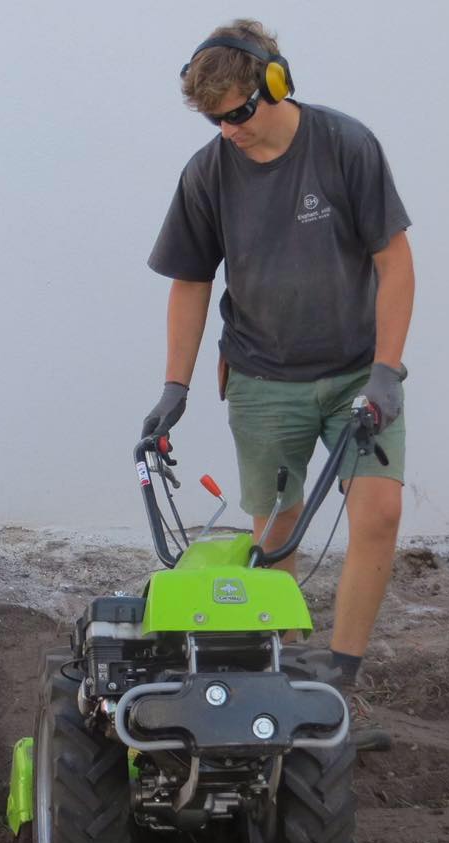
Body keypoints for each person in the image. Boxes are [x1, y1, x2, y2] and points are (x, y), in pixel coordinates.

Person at [141, 19, 414, 752]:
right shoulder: (208, 174)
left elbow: (394, 260)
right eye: (213, 118)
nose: (228, 129)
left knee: (378, 515)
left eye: (236, 112)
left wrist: (387, 368)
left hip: (360, 370)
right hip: (263, 378)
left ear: (275, 83)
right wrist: (176, 385)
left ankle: (343, 681)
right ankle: (285, 684)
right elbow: (191, 282)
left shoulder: (345, 147)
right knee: (277, 533)